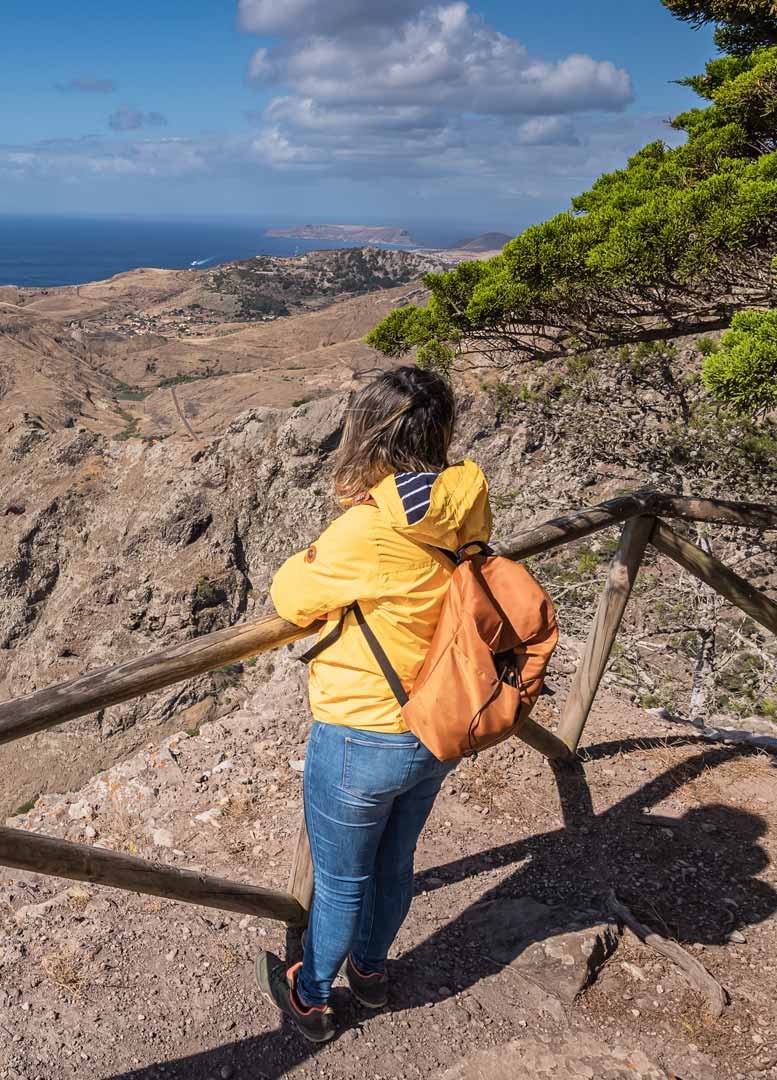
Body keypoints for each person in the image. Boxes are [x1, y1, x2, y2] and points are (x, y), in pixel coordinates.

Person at [255, 365, 492, 1043]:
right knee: (396, 861)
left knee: (340, 880)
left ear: (369, 435)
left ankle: (310, 997)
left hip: (363, 731)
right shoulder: (465, 498)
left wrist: (326, 543)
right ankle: (372, 974)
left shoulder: (364, 532)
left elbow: (290, 594)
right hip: (442, 719)